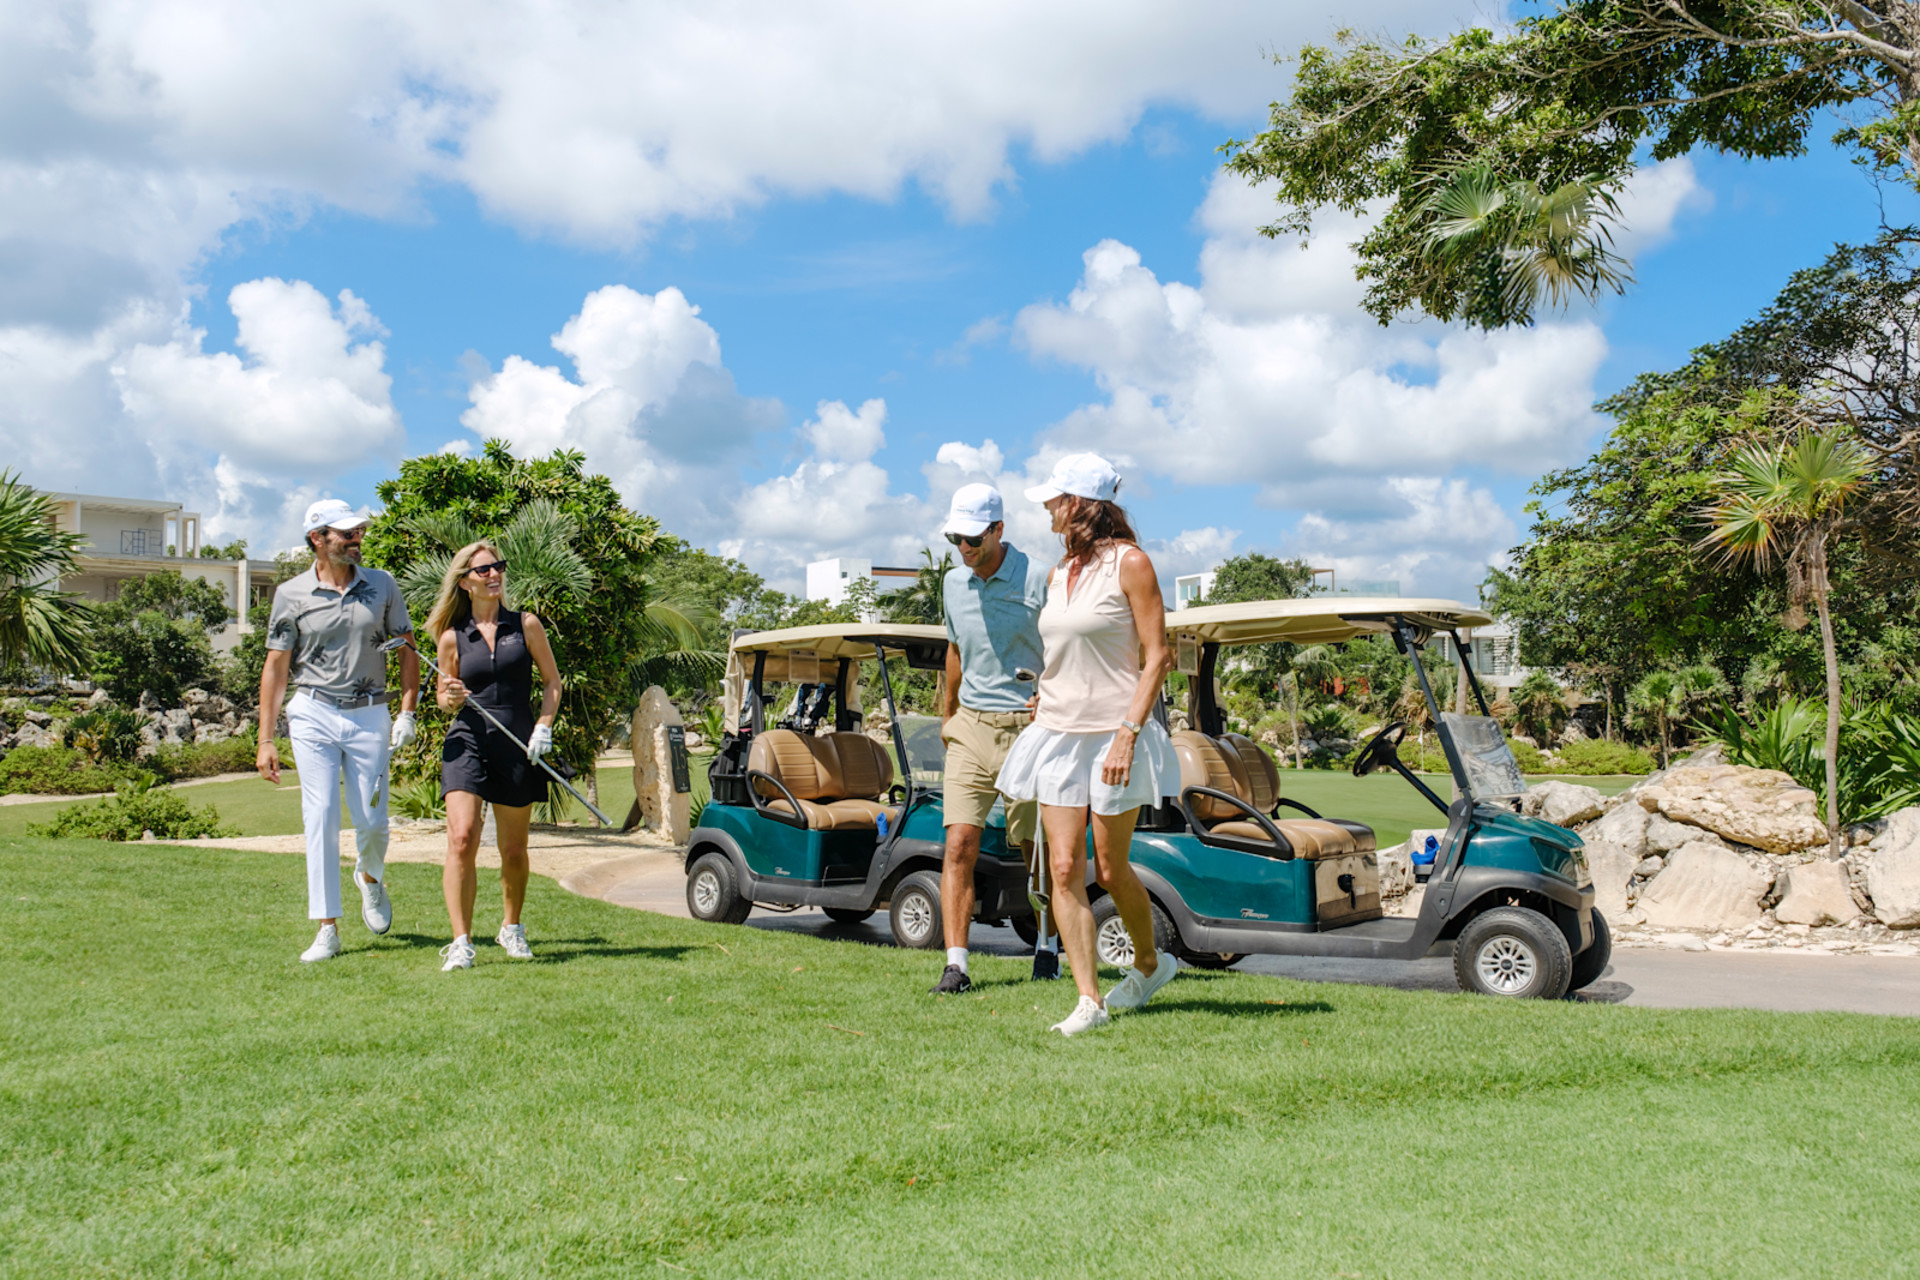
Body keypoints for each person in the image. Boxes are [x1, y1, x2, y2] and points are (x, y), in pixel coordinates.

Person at [995, 454, 1181, 1035]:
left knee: (1109, 864)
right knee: (1065, 865)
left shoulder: (1132, 564)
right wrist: (1046, 696)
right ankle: (1088, 999)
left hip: (1114, 734)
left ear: (1078, 504)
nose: (1047, 508)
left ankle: (1149, 965)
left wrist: (1128, 732)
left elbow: (1158, 658)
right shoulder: (1057, 573)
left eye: (1055, 499)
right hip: (1056, 733)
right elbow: (1061, 655)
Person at [257, 498, 421, 963]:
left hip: (370, 712)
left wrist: (407, 711)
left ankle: (369, 876)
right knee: (321, 813)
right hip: (313, 712)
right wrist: (266, 738)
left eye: (358, 532)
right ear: (317, 539)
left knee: (372, 822)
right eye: (345, 534)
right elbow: (276, 666)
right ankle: (327, 926)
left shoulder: (383, 585)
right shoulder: (291, 594)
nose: (356, 540)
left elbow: (408, 649)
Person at [930, 482, 1051, 995]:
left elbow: (1064, 645)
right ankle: (956, 965)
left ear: (999, 529)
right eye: (956, 537)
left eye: (973, 538)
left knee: (1033, 846)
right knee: (958, 843)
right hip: (971, 728)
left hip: (1029, 730)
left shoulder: (1040, 578)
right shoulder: (954, 584)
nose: (964, 548)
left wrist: (1052, 694)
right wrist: (948, 713)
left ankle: (1046, 942)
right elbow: (954, 650)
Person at [426, 541, 563, 971]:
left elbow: (552, 683)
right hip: (466, 738)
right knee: (462, 837)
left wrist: (544, 724)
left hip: (517, 738)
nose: (493, 575)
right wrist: (448, 695)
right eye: (483, 570)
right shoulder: (452, 636)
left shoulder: (526, 625)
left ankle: (511, 927)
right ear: (465, 581)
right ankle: (462, 941)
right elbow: (442, 698)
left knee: (514, 850)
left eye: (498, 567)